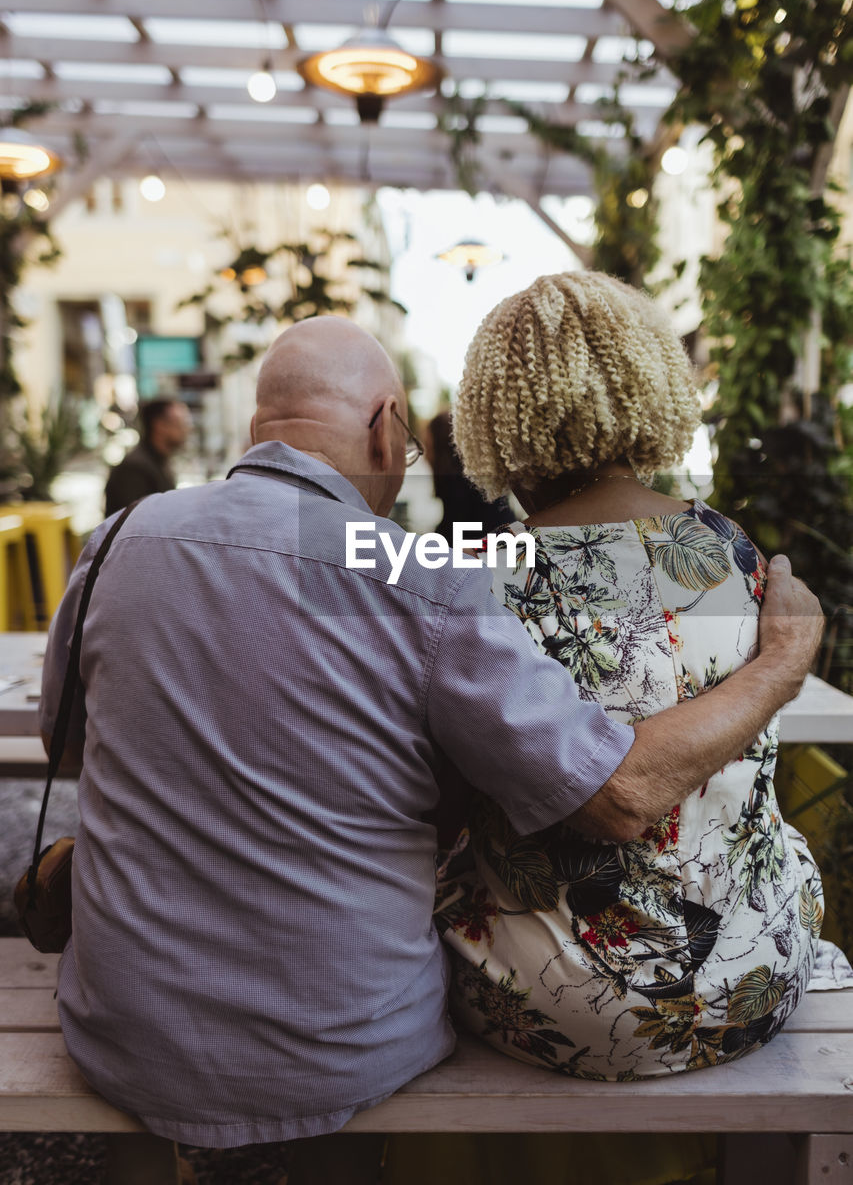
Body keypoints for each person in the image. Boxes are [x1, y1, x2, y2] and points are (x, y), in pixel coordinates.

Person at [39, 315, 821, 1177]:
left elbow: (74, 750)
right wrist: (783, 661)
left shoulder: (115, 541)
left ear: (259, 427)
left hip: (119, 1030)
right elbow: (614, 793)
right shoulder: (419, 571)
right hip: (348, 1049)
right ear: (383, 427)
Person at [441, 271, 824, 1082]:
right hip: (756, 977)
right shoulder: (729, 550)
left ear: (493, 412)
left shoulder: (481, 579)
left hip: (574, 1004)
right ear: (644, 382)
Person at [425, 409, 513, 543]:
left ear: (444, 452)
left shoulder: (458, 507)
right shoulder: (488, 495)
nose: (425, 457)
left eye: (427, 447)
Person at [104, 396, 192, 515]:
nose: (188, 429)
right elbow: (135, 523)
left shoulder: (158, 460)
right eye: (182, 423)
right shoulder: (134, 469)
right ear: (160, 426)